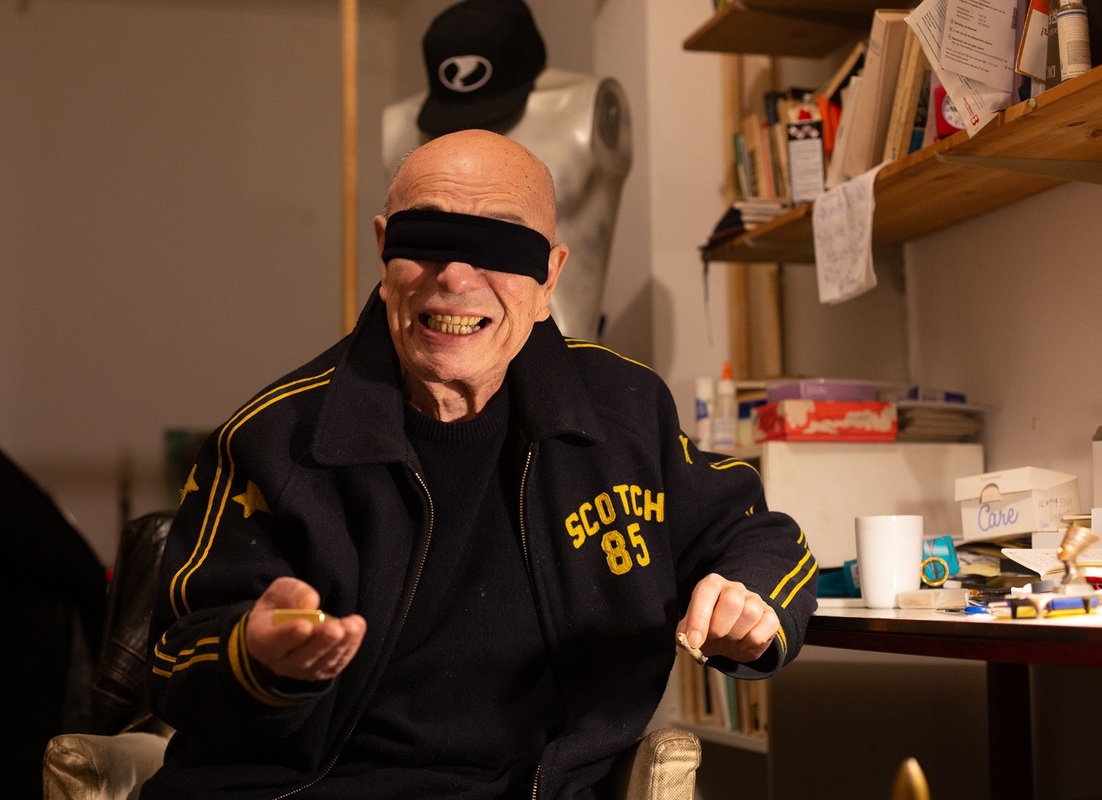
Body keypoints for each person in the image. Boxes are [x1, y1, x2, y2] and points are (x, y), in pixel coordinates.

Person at [144, 129, 816, 799]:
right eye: (426, 239)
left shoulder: (623, 412)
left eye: (500, 244)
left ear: (549, 277)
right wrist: (257, 657)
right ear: (384, 251)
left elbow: (756, 533)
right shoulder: (274, 438)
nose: (456, 278)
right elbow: (175, 658)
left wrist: (750, 603)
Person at [382, 0, 632, 341]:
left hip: (566, 342)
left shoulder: (585, 106)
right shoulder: (399, 122)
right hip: (434, 341)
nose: (456, 277)